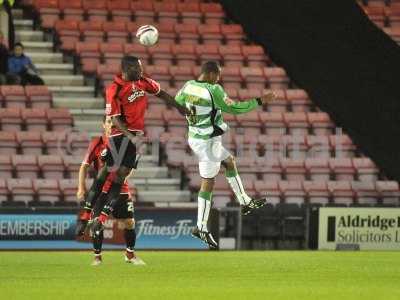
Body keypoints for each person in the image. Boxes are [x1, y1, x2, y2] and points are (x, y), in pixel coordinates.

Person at [77, 55, 189, 236]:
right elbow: (114, 118)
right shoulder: (115, 88)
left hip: (135, 136)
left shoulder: (143, 81)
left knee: (121, 176)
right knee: (107, 171)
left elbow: (162, 93)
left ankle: (102, 219)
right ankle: (85, 216)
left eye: (141, 67)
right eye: (137, 68)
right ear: (126, 70)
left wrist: (179, 107)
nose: (141, 71)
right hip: (120, 134)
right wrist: (130, 136)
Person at [175, 61, 276, 249]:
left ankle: (245, 201)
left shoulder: (188, 86)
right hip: (207, 141)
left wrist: (192, 117)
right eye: (218, 75)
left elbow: (178, 102)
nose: (219, 78)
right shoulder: (214, 90)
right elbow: (236, 109)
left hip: (196, 136)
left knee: (229, 162)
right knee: (208, 182)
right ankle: (201, 227)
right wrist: (261, 101)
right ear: (211, 74)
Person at [77, 116, 145, 266]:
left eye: (112, 122)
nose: (111, 124)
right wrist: (81, 188)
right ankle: (97, 257)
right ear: (104, 125)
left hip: (120, 189)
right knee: (97, 223)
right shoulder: (97, 143)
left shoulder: (127, 143)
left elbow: (130, 169)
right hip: (102, 191)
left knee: (129, 222)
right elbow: (84, 166)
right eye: (108, 122)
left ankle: (130, 255)